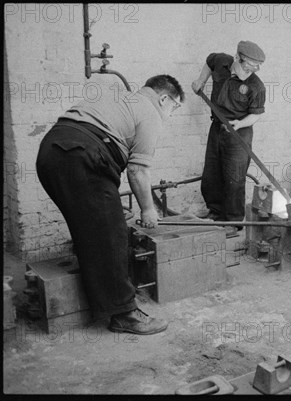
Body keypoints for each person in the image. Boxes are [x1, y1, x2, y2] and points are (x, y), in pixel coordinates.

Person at [36, 75, 184, 334]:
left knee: (89, 231)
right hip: (82, 155)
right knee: (111, 236)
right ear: (163, 98)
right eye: (175, 107)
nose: (171, 114)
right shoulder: (150, 113)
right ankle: (124, 314)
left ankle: (101, 293)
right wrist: (149, 210)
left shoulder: (119, 99)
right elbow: (138, 171)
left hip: (51, 153)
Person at [191, 40, 266, 234]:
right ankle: (215, 212)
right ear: (236, 59)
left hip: (239, 132)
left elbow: (256, 114)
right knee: (212, 172)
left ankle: (233, 221)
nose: (251, 72)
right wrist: (201, 80)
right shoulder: (222, 62)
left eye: (254, 69)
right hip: (216, 127)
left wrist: (239, 124)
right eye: (247, 67)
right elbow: (209, 61)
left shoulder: (256, 86)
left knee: (235, 178)